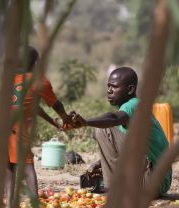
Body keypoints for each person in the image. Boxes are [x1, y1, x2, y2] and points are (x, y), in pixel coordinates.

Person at [0, 46, 73, 208]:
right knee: (27, 164)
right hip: (14, 123)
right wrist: (65, 118)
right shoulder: (39, 81)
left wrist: (54, 123)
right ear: (36, 64)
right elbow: (56, 104)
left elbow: (33, 107)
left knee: (8, 162)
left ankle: (9, 203)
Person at [72, 67, 172, 195]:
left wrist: (86, 122)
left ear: (130, 89)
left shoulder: (134, 105)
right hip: (154, 181)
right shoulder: (127, 116)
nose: (109, 90)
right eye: (108, 86)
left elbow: (113, 118)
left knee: (103, 130)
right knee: (105, 130)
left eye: (114, 86)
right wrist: (102, 163)